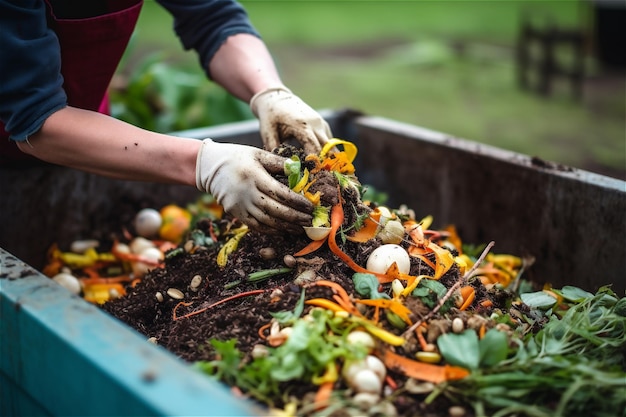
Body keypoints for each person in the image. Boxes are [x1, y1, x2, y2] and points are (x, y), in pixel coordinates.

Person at [0, 0, 333, 234]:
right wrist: (203, 164)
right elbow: (35, 117)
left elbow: (214, 17)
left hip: (91, 139)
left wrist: (269, 92)